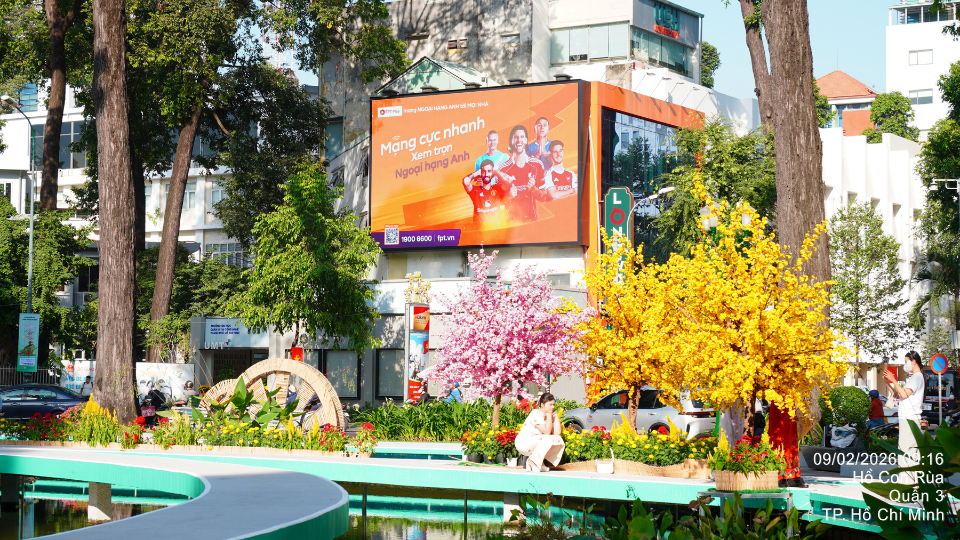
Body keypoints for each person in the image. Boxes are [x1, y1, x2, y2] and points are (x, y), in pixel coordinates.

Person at [883, 350, 926, 484]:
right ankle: (911, 481)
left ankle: (908, 482)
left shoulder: (916, 377)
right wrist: (888, 383)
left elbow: (903, 394)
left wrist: (893, 380)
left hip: (910, 418)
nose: (904, 364)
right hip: (908, 418)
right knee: (908, 451)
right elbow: (898, 395)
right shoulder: (915, 377)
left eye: (906, 361)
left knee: (906, 452)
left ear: (914, 361)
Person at [498, 125, 546, 223]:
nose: (519, 140)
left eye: (522, 137)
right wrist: (509, 196)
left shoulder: (537, 165)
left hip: (531, 224)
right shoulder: (502, 169)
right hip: (510, 226)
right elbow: (496, 202)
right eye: (516, 137)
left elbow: (544, 197)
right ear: (511, 141)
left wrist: (534, 189)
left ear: (526, 140)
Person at [515, 393, 565, 473]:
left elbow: (557, 433)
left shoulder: (548, 414)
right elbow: (546, 431)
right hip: (524, 442)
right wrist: (549, 416)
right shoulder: (536, 413)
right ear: (542, 404)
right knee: (546, 438)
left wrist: (556, 418)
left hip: (537, 441)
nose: (553, 407)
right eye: (550, 405)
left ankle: (535, 460)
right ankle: (533, 461)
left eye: (553, 405)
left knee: (559, 441)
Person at [462, 160, 513, 227]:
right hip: (479, 232)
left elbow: (509, 180)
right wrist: (477, 173)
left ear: (492, 173)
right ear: (481, 172)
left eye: (489, 171)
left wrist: (495, 172)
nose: (486, 174)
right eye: (484, 171)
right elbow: (465, 181)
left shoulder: (497, 188)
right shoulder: (475, 190)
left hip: (495, 232)